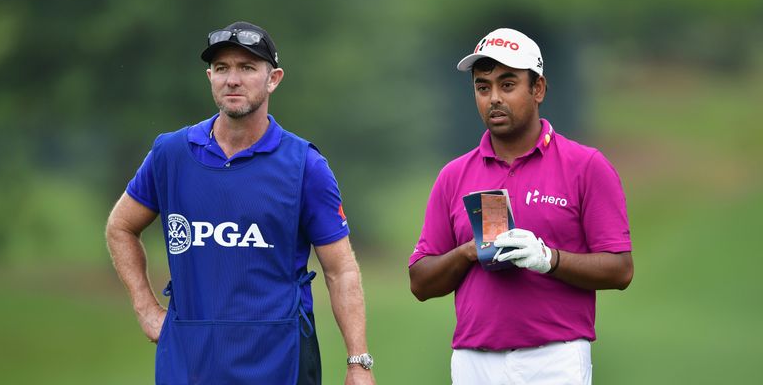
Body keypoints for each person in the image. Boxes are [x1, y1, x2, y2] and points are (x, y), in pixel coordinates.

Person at [106, 21, 375, 385]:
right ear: (210, 77)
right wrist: (145, 307)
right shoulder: (170, 154)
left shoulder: (304, 165)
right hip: (188, 365)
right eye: (222, 68)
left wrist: (358, 362)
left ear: (273, 78)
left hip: (280, 361)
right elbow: (120, 227)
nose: (232, 79)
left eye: (247, 68)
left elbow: (340, 270)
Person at [408, 28, 633, 384]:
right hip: (473, 361)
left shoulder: (586, 166)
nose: (494, 98)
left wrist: (549, 259)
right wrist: (467, 252)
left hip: (555, 358)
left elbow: (620, 270)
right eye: (483, 87)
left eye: (507, 85)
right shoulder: (454, 175)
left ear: (538, 89)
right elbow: (420, 282)